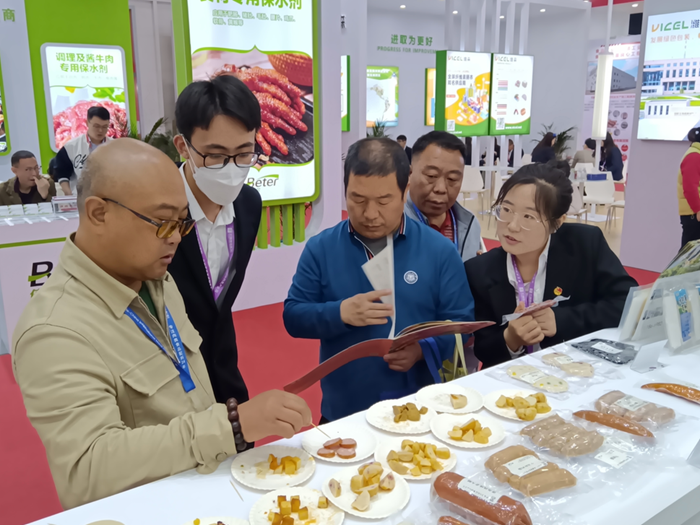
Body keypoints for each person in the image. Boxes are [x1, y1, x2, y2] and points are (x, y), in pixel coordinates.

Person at [11, 139, 312, 509]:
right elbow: (89, 469)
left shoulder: (158, 281)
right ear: (98, 213)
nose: (175, 238)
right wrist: (231, 425)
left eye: (182, 222)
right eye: (162, 222)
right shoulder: (53, 331)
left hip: (210, 492)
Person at [283, 138, 475, 422]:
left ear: (404, 191)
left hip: (419, 409)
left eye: (384, 201)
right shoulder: (321, 248)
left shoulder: (439, 250)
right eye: (357, 199)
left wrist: (421, 351)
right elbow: (293, 316)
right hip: (344, 410)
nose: (370, 214)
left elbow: (461, 323)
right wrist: (340, 313)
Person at [464, 163, 637, 368]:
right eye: (507, 209)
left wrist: (563, 320)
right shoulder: (479, 270)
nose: (512, 225)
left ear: (558, 222)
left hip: (578, 370)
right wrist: (510, 339)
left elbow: (627, 304)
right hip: (513, 379)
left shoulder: (584, 245)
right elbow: (483, 347)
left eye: (528, 216)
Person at [169, 76, 262, 405]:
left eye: (244, 154)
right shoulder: (155, 207)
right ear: (183, 147)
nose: (231, 169)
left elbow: (219, 304)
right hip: (168, 374)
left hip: (224, 368)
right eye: (216, 156)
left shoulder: (249, 204)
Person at [404, 131, 481, 262]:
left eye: (452, 179)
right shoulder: (393, 224)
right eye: (431, 176)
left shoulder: (470, 224)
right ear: (410, 173)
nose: (441, 189)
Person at [53, 105, 112, 196]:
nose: (100, 130)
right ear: (87, 123)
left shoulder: (115, 146)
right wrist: (68, 193)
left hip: (110, 196)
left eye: (105, 127)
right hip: (81, 197)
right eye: (96, 126)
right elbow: (61, 173)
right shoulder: (71, 147)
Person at [678, 127, 700, 248]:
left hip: (695, 214)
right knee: (689, 254)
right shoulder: (694, 156)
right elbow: (690, 187)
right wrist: (698, 209)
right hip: (694, 215)